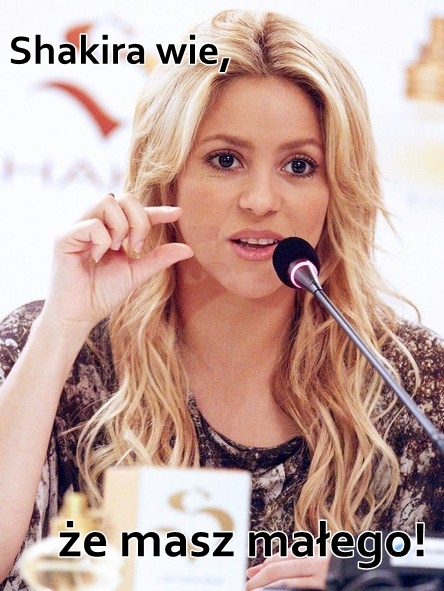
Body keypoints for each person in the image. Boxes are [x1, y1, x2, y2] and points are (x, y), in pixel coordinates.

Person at [0, 9, 443, 591]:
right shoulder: (54, 348)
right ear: (167, 173)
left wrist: (365, 576)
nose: (261, 200)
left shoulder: (411, 380)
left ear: (336, 187)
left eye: (299, 165)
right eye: (225, 160)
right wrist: (62, 326)